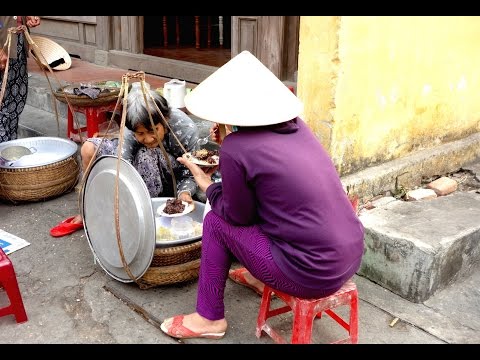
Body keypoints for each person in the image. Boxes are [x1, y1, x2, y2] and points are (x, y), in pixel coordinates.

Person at [159, 51, 365, 340]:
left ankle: (209, 318)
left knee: (216, 224)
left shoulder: (236, 149)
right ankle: (258, 275)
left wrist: (208, 184)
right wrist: (232, 149)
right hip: (349, 258)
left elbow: (237, 214)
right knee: (265, 213)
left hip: (309, 273)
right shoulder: (299, 129)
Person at [49, 82, 200, 237]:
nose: (148, 138)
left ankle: (145, 215)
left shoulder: (185, 129)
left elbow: (192, 171)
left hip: (171, 178)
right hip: (140, 170)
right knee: (88, 148)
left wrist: (184, 194)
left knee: (147, 152)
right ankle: (91, 209)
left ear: (165, 119)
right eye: (140, 133)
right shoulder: (132, 124)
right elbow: (122, 163)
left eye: (152, 130)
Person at [0, 16, 41, 143]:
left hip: (17, 42)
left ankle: (9, 148)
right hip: (3, 44)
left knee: (16, 98)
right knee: (2, 102)